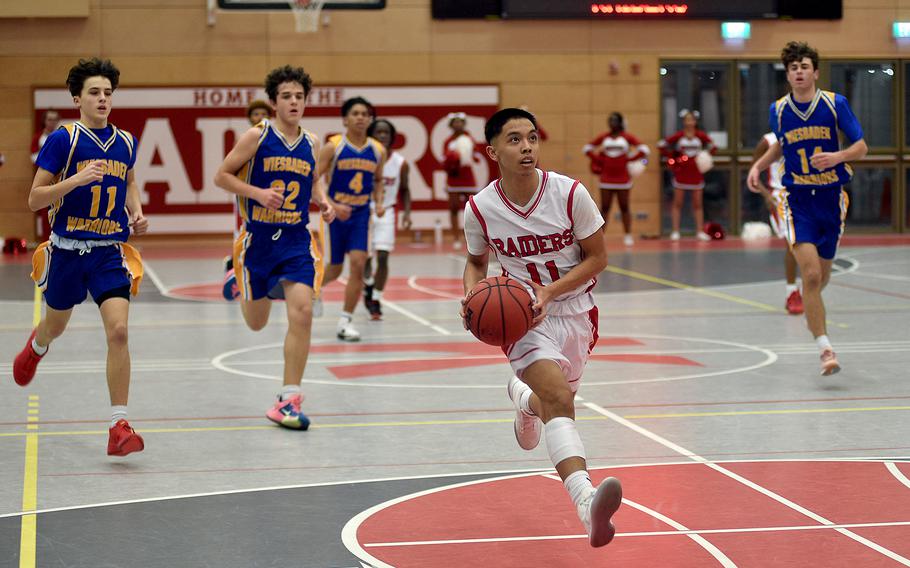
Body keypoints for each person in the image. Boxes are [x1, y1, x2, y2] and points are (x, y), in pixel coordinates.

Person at [462, 108, 622, 548]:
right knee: (559, 399)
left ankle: (522, 401)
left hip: (575, 311)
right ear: (492, 151)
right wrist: (471, 297)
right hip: (521, 318)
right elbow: (476, 264)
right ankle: (586, 502)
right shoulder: (480, 208)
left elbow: (598, 259)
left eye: (532, 138)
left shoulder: (570, 194)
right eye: (514, 140)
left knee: (556, 400)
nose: (527, 147)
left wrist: (550, 292)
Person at [13, 58, 148, 456]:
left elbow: (129, 181)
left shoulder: (125, 142)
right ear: (77, 99)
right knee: (55, 326)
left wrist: (136, 211)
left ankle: (118, 426)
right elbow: (35, 199)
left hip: (109, 252)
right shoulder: (64, 139)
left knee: (119, 332)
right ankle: (37, 346)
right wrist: (75, 179)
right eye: (94, 92)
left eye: (108, 92)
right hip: (68, 252)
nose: (103, 98)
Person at [215, 65, 335, 429]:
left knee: (303, 313)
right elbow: (221, 176)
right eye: (287, 96)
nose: (294, 102)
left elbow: (312, 180)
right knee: (256, 323)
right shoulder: (257, 135)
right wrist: (258, 194)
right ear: (274, 102)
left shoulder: (312, 142)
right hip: (258, 241)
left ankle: (288, 399)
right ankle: (239, 283)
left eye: (299, 96)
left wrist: (323, 202)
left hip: (298, 239)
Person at [748, 41, 867, 376]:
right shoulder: (779, 110)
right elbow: (781, 149)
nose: (799, 72)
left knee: (820, 278)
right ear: (788, 75)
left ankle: (811, 306)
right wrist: (757, 166)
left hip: (832, 198)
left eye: (804, 66)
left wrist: (838, 157)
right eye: (793, 68)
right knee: (811, 274)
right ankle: (825, 348)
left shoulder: (834, 104)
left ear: (815, 71)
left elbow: (861, 146)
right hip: (798, 199)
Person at [316, 96, 386, 341]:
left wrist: (378, 202)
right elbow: (313, 180)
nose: (360, 117)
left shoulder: (378, 150)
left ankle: (345, 321)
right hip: (335, 214)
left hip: (359, 215)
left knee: (358, 264)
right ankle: (314, 290)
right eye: (355, 113)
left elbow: (378, 180)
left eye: (365, 114)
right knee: (334, 270)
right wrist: (331, 204)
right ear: (345, 119)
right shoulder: (333, 146)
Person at [222, 99, 276, 300]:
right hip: (248, 199)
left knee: (271, 238)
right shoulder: (246, 140)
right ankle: (234, 272)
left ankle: (266, 277)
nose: (260, 117)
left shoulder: (275, 142)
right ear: (249, 118)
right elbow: (228, 173)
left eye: (264, 114)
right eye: (256, 114)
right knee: (244, 236)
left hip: (271, 199)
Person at [750, 132, 803, 315]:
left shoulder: (805, 132)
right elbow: (754, 171)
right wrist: (766, 195)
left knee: (811, 243)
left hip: (805, 191)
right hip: (780, 196)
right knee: (792, 243)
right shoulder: (768, 141)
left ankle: (810, 291)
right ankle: (792, 292)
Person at [363, 118, 411, 320]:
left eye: (386, 132)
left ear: (392, 137)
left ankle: (376, 298)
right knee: (364, 257)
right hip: (364, 209)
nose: (382, 135)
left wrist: (407, 213)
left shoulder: (400, 163)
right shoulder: (363, 159)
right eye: (378, 132)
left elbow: (405, 190)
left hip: (387, 211)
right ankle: (367, 284)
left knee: (383, 256)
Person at [584, 112, 650, 246]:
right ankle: (601, 236)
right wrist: (600, 160)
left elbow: (644, 149)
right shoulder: (604, 137)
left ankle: (627, 235)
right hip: (606, 179)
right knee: (604, 208)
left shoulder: (627, 137)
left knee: (624, 207)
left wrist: (629, 159)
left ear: (620, 123)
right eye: (610, 121)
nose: (612, 123)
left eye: (615, 121)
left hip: (623, 179)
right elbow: (586, 148)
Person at [658, 110, 716, 241]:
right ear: (683, 122)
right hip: (681, 173)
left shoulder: (700, 136)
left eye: (692, 120)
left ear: (695, 121)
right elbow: (661, 145)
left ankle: (700, 231)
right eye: (687, 120)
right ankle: (675, 231)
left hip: (696, 173)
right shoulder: (679, 136)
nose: (690, 122)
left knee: (698, 204)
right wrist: (672, 158)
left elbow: (713, 146)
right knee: (677, 203)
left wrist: (706, 157)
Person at [442, 112, 479, 249]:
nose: (458, 124)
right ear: (451, 125)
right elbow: (443, 160)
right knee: (453, 208)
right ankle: (456, 237)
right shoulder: (448, 141)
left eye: (460, 122)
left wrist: (471, 157)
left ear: (464, 124)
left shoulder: (470, 139)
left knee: (471, 209)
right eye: (455, 122)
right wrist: (451, 159)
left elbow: (476, 156)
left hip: (468, 177)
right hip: (453, 177)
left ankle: (471, 236)